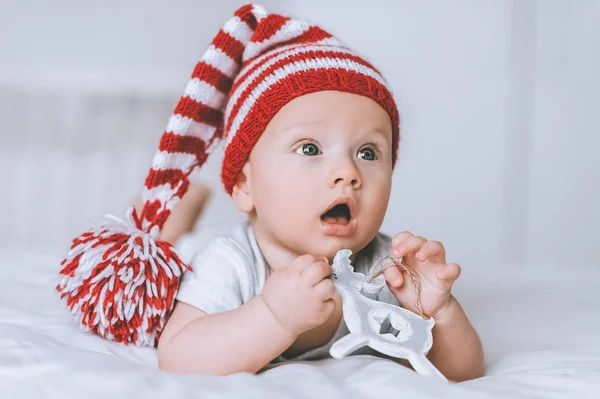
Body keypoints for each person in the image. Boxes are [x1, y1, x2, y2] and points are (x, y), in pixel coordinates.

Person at [155, 4, 484, 381]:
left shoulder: (384, 269)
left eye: (368, 152)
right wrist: (273, 315)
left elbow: (464, 372)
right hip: (188, 253)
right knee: (170, 244)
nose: (348, 172)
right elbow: (178, 358)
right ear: (245, 184)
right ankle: (181, 211)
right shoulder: (231, 263)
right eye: (309, 149)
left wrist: (438, 311)